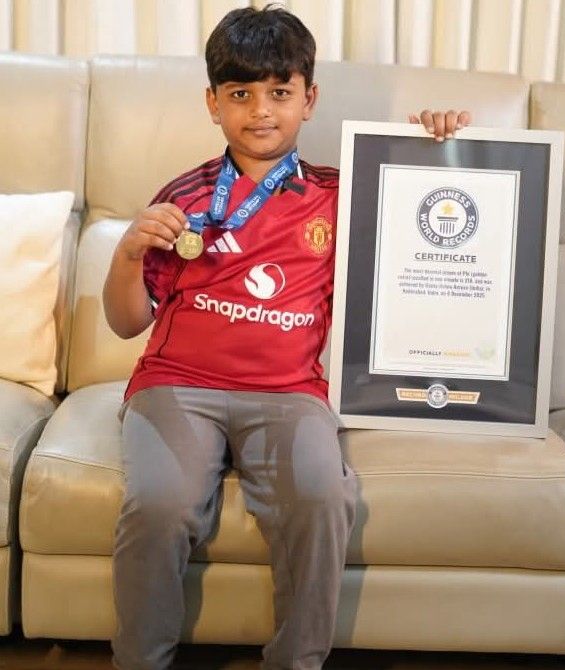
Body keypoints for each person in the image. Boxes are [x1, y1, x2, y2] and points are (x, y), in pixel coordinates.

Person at [102, 5, 470, 670]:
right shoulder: (185, 195)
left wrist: (435, 144)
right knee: (159, 505)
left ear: (309, 99)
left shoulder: (341, 193)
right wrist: (127, 252)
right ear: (213, 104)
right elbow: (127, 322)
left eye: (279, 92)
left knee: (323, 498)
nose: (261, 111)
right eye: (240, 94)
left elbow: (436, 217)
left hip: (289, 393)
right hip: (177, 388)